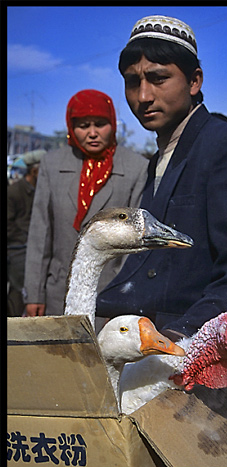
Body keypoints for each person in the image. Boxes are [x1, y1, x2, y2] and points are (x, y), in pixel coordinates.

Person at [96, 15, 227, 341]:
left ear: (194, 81)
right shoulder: (160, 158)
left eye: (158, 78)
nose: (143, 96)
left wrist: (182, 339)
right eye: (132, 81)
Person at [24, 89, 148, 320]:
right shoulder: (52, 165)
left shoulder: (136, 167)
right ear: (71, 128)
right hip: (56, 291)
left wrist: (122, 296)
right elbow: (40, 234)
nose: (92, 133)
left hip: (109, 294)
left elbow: (135, 244)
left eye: (100, 124)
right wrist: (33, 294)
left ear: (113, 123)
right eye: (83, 125)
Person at [7, 151, 44, 316]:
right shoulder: (14, 192)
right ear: (34, 171)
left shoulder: (40, 192)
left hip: (30, 247)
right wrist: (25, 238)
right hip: (17, 248)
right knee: (19, 288)